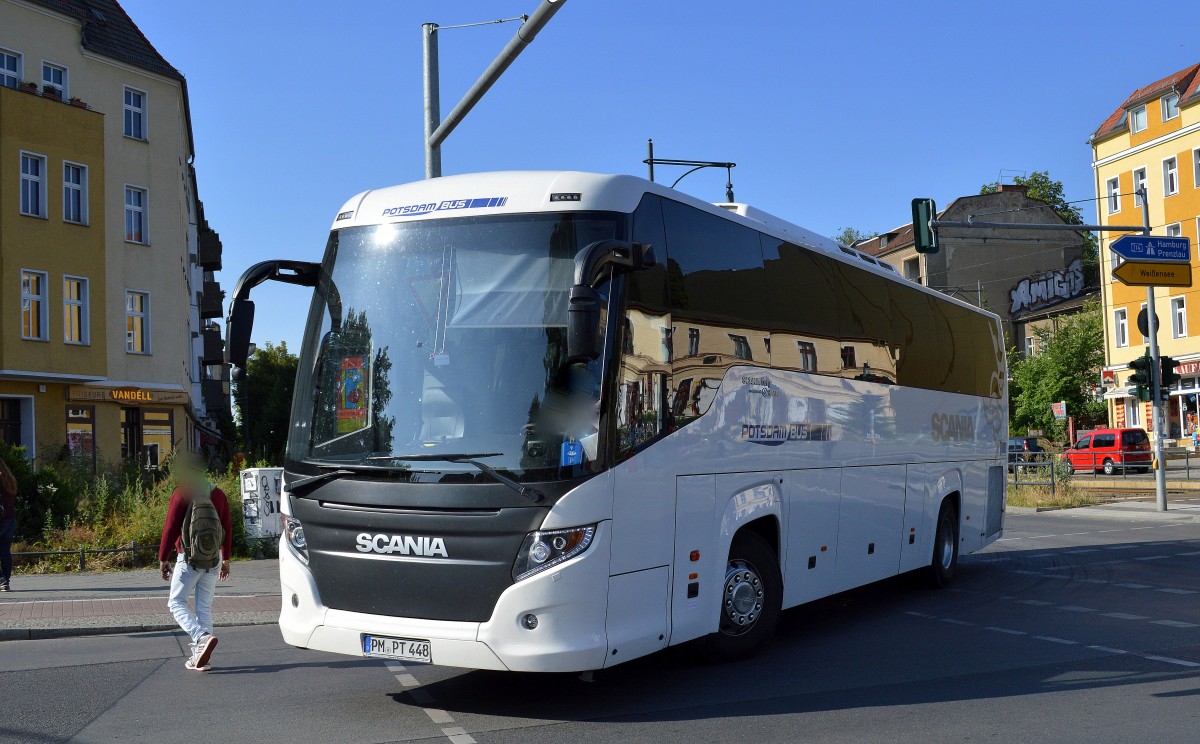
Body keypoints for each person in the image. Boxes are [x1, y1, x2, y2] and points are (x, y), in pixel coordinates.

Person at [159, 454, 233, 671]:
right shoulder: (218, 493)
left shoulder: (182, 492)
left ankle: (200, 638)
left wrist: (163, 558)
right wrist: (226, 558)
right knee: (204, 607)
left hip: (189, 558)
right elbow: (227, 528)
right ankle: (202, 658)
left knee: (176, 602)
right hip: (213, 559)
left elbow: (171, 527)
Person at [0, 455, 17, 592]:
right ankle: (6, 581)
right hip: (11, 520)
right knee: (5, 551)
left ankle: (1, 579)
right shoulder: (10, 480)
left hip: (1, 519)